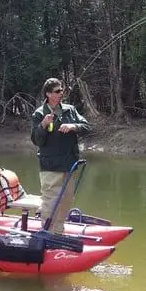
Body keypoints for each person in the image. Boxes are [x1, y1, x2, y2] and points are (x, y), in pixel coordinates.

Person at [30, 78, 90, 234]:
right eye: (57, 91)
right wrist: (42, 125)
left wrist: (73, 126)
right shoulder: (39, 114)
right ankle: (47, 233)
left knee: (66, 200)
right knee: (50, 202)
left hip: (68, 164)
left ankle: (59, 232)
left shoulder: (70, 110)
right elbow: (37, 141)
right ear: (48, 94)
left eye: (62, 90)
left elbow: (87, 127)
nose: (61, 93)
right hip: (50, 166)